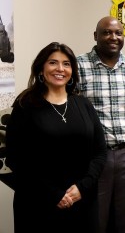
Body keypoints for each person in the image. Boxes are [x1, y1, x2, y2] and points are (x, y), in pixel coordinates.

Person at [6, 42, 107, 232]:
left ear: (72, 71)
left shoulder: (83, 104)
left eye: (66, 64)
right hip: (38, 204)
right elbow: (16, 159)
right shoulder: (25, 106)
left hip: (82, 202)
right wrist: (54, 194)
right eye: (53, 62)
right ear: (41, 69)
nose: (60, 69)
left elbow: (100, 152)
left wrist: (82, 187)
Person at [77, 16, 125, 233]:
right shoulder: (78, 66)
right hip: (93, 157)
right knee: (94, 218)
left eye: (118, 33)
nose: (113, 37)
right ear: (95, 36)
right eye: (107, 32)